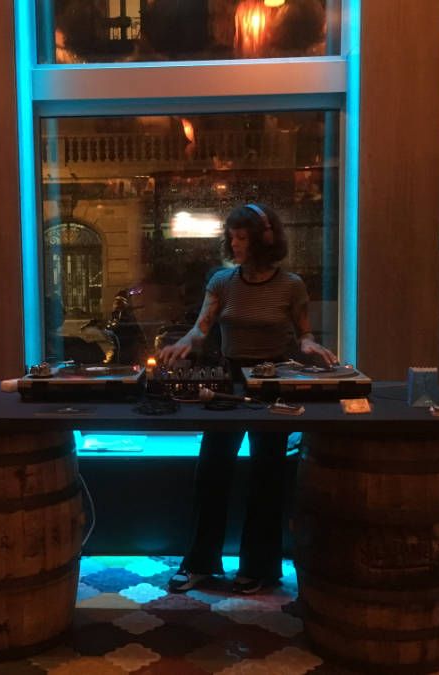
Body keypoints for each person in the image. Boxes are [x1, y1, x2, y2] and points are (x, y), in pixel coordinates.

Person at [158, 202, 336, 595]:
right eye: (233, 237)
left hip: (272, 381)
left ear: (264, 240)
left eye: (243, 237)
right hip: (229, 381)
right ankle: (200, 563)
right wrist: (183, 342)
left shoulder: (291, 285)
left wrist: (309, 345)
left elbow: (304, 332)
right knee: (212, 468)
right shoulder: (222, 281)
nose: (236, 244)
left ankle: (259, 568)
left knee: (267, 474)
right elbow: (201, 329)